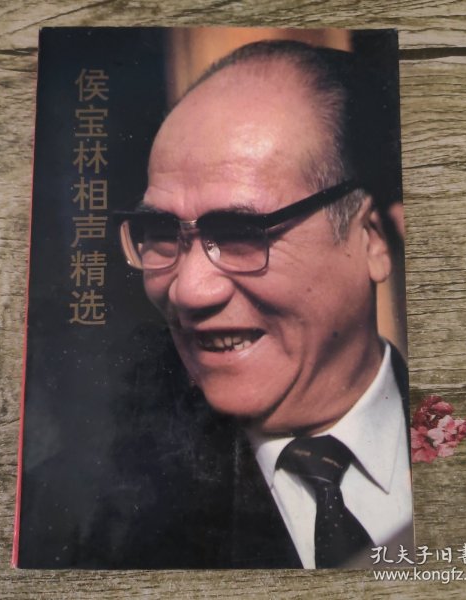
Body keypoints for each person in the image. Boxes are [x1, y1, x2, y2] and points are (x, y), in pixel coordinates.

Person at [113, 40, 413, 569]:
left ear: (372, 239)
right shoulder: (112, 516)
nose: (188, 291)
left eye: (240, 231)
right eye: (160, 233)